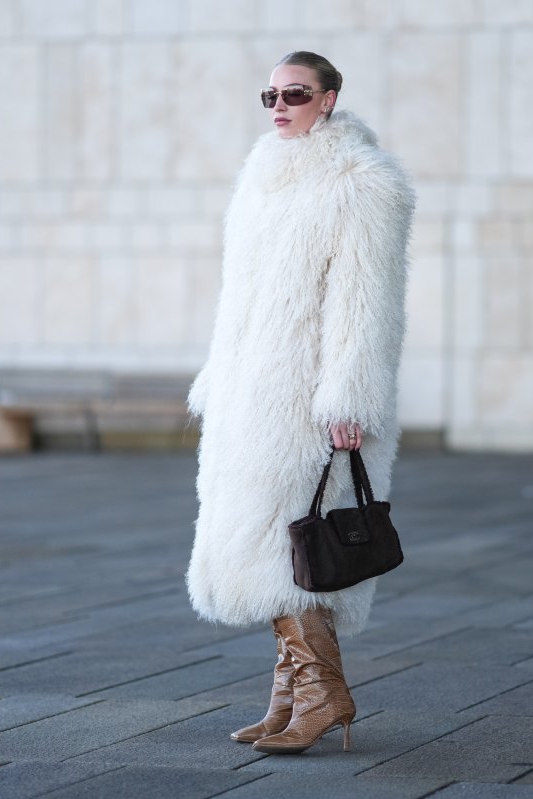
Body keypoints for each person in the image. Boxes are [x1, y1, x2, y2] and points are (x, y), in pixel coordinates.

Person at [185, 51, 415, 755]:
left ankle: (323, 693)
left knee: (287, 547)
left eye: (295, 93)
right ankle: (291, 695)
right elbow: (240, 301)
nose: (279, 105)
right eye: (270, 94)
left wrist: (350, 395)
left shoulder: (363, 184)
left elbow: (367, 304)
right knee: (266, 548)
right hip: (247, 396)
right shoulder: (262, 178)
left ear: (330, 98)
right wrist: (218, 379)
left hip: (308, 401)